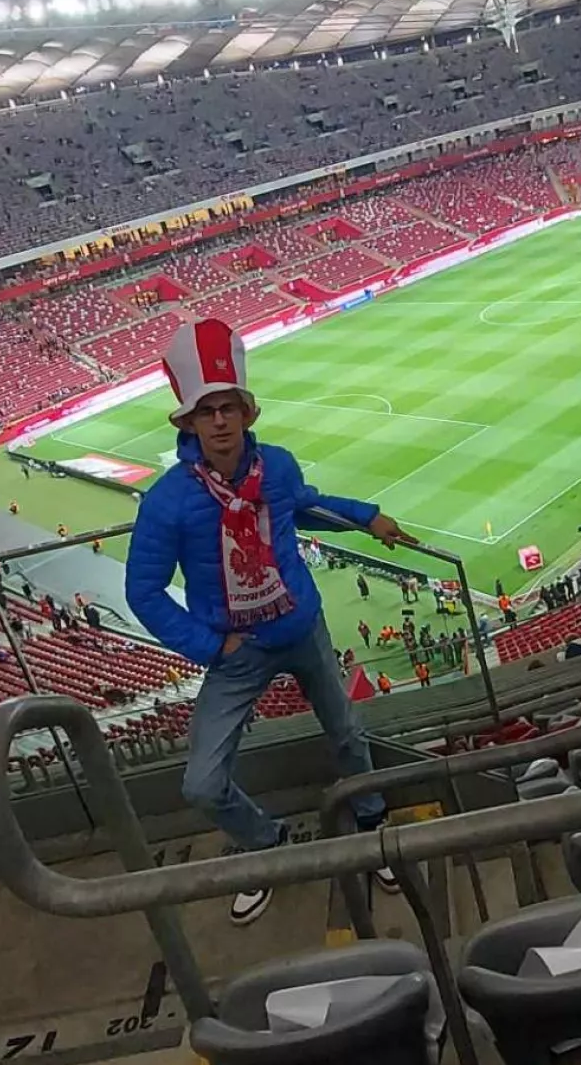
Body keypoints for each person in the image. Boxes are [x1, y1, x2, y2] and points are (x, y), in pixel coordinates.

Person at [125, 318, 415, 925]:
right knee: (202, 784)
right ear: (189, 423)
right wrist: (212, 647)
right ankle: (267, 843)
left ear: (246, 413)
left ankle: (373, 823)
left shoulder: (277, 467)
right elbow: (144, 592)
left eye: (229, 408)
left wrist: (367, 517)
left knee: (347, 733)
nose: (220, 422)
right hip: (237, 652)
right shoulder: (166, 501)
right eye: (207, 412)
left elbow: (306, 506)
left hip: (302, 627)